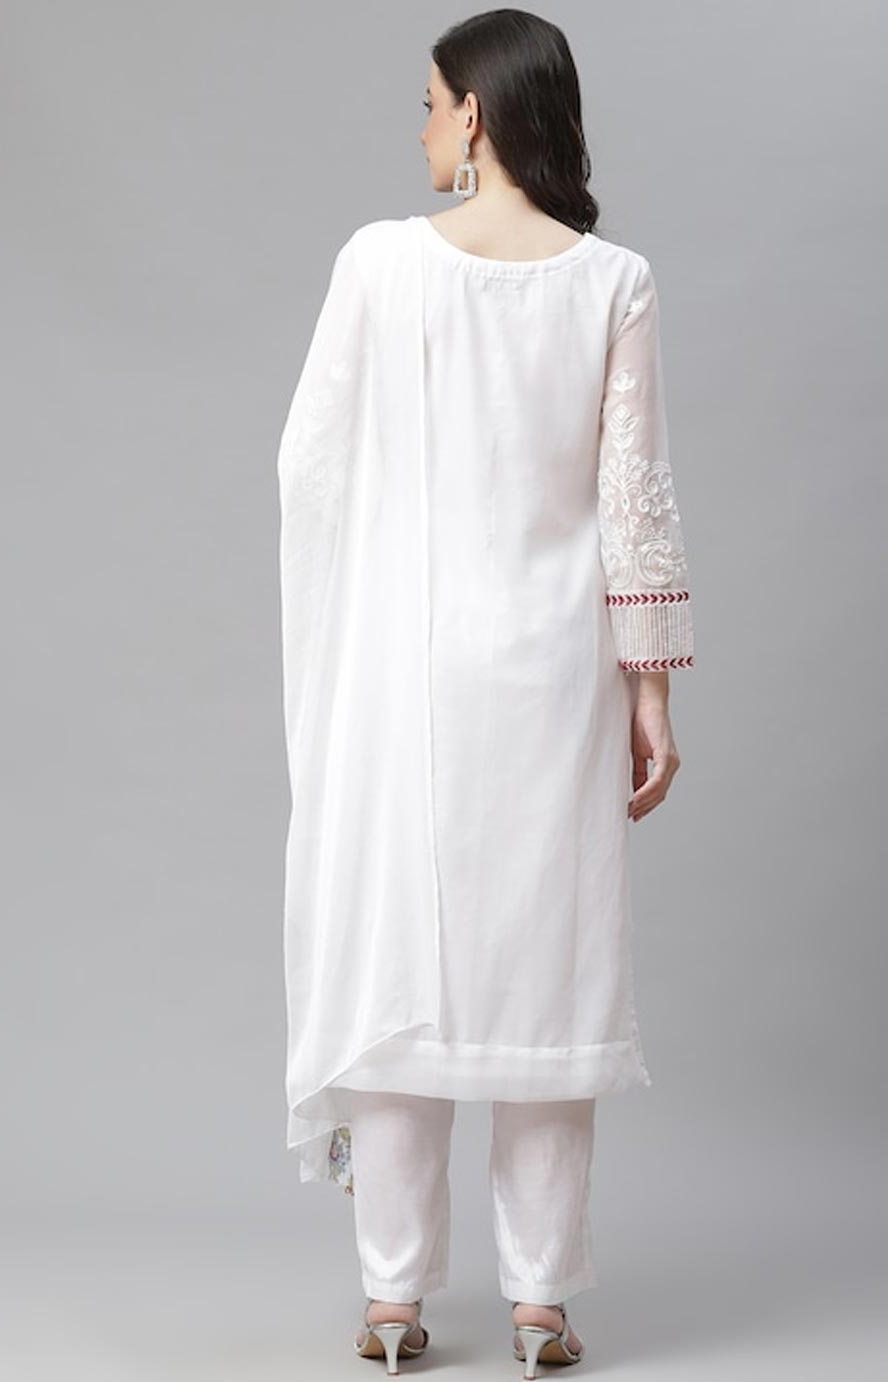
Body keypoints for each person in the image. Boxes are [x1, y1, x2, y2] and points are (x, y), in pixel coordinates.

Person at [275, 9, 695, 1374]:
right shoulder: (615, 280)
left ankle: (393, 1303)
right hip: (555, 674)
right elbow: (635, 500)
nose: (417, 129)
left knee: (403, 966)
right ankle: (540, 1305)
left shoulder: (380, 263)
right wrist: (650, 694)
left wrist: (351, 614)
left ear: (472, 114)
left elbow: (309, 466)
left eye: (426, 103)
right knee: (547, 977)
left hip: (405, 676)